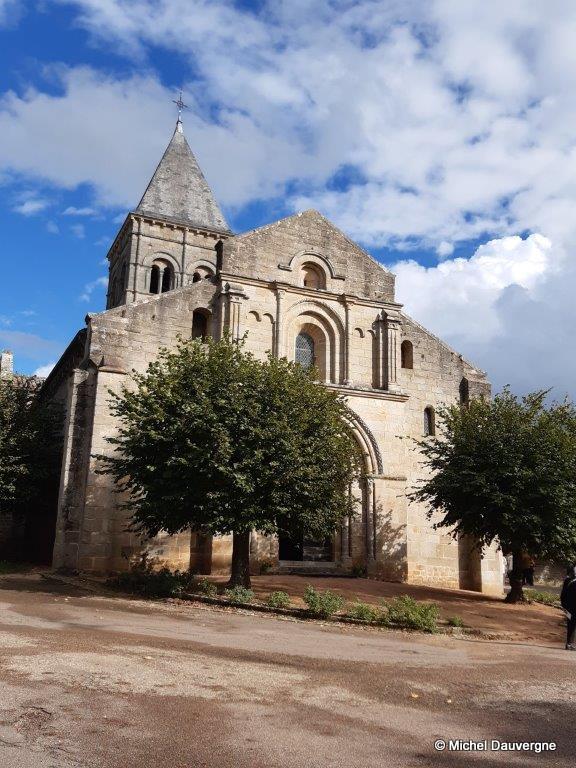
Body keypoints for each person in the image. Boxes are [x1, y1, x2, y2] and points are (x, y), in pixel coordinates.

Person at [560, 565, 576, 651]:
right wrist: (564, 606)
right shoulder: (569, 581)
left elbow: (563, 595)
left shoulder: (568, 580)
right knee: (571, 625)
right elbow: (563, 595)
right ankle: (569, 643)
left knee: (571, 624)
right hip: (570, 607)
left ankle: (570, 643)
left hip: (569, 607)